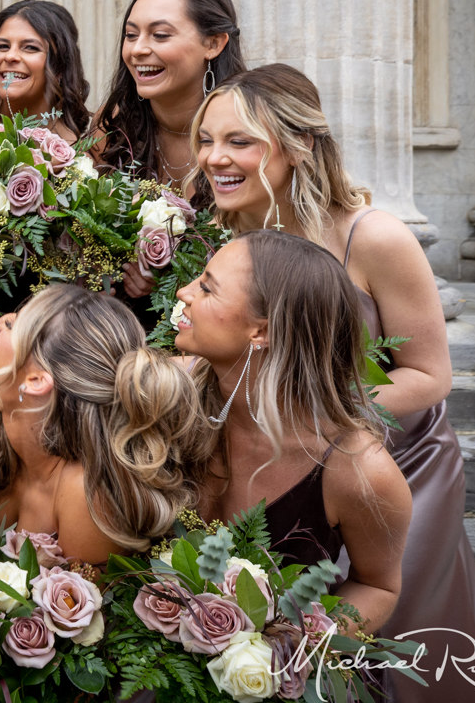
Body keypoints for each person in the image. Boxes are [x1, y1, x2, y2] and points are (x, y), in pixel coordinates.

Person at [189, 65, 475, 698]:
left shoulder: (376, 236)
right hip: (282, 467)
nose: (214, 158)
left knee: (401, 630)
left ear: (298, 144)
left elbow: (429, 374)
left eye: (239, 141)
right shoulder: (231, 236)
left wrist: (321, 420)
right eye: (205, 139)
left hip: (396, 460)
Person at [175, 231, 411, 633]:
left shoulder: (358, 470)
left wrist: (286, 648)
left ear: (261, 332)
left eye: (207, 288)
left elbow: (378, 586)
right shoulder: (166, 397)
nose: (183, 292)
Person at [0, 285, 211, 564]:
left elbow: (72, 604)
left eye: (13, 325)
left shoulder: (86, 497)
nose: (0, 323)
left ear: (35, 381)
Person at [94, 0, 246, 302]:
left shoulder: (250, 130)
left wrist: (175, 276)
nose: (138, 50)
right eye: (131, 35)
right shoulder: (113, 126)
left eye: (160, 35)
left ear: (213, 43)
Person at [0, 0, 91, 142]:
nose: (10, 56)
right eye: (3, 46)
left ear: (60, 65)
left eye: (30, 47)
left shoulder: (71, 151)